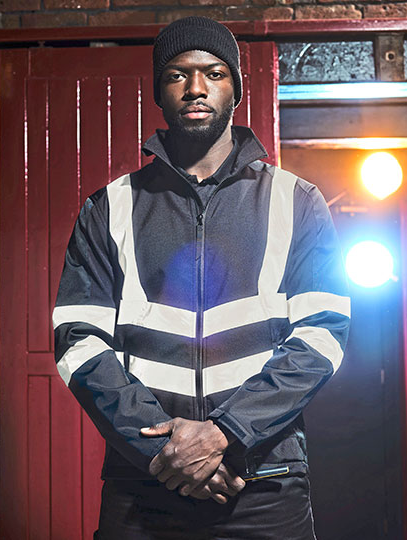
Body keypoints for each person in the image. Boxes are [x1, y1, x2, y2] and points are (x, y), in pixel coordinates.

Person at [52, 16, 350, 540]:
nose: (196, 87)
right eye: (177, 74)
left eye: (214, 73)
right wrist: (166, 451)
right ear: (159, 93)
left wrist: (225, 435)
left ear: (236, 89)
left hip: (264, 481)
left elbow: (321, 336)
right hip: (145, 482)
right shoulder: (109, 206)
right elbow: (78, 340)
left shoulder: (296, 201)